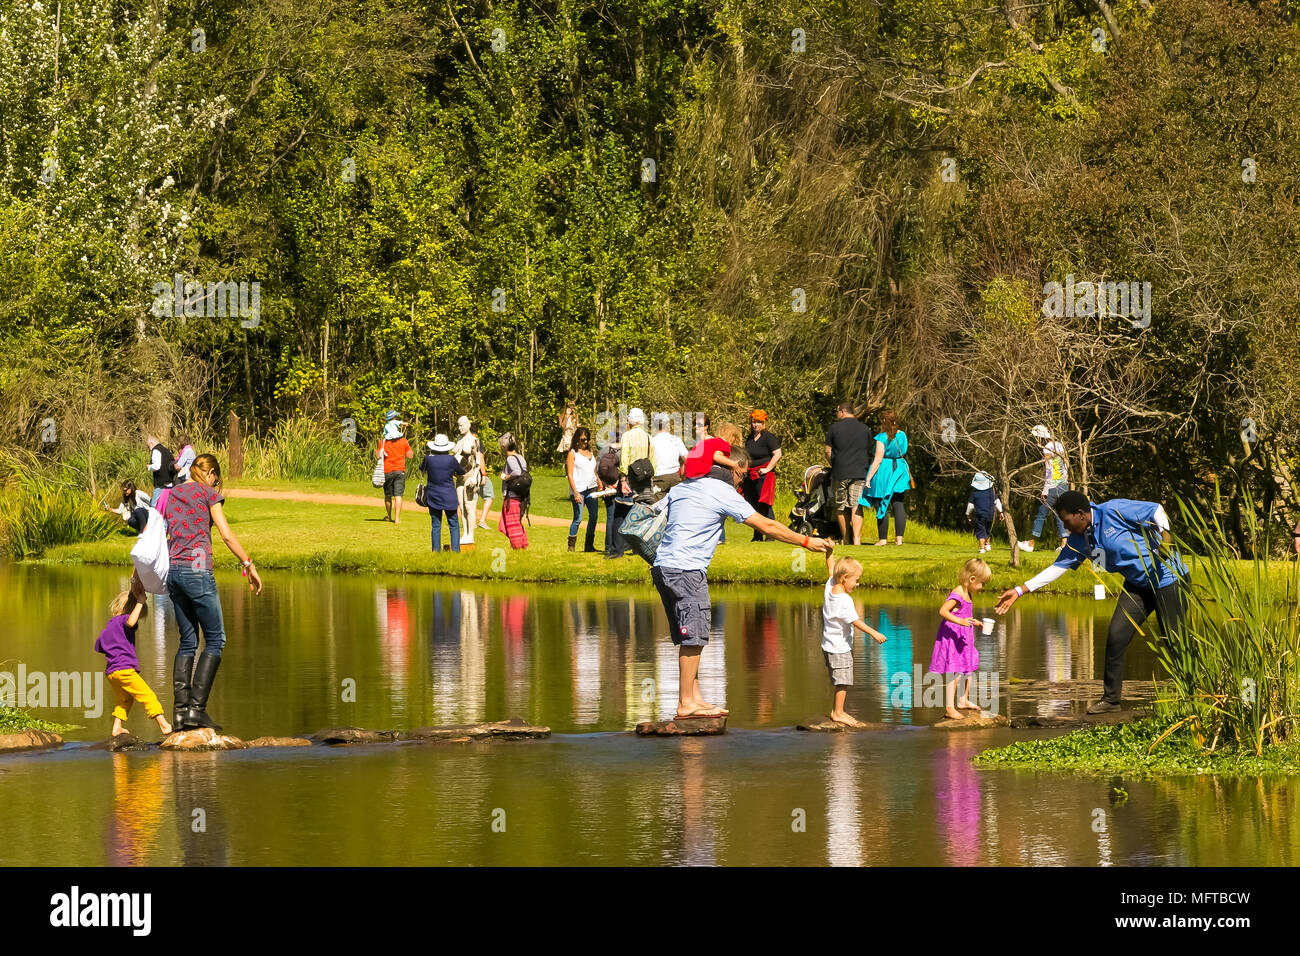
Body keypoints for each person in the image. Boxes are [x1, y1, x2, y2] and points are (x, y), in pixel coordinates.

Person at [651, 448, 833, 718]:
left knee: (691, 637)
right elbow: (767, 526)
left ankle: (694, 697)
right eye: (743, 474)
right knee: (694, 637)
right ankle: (685, 703)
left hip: (663, 567)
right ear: (733, 469)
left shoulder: (684, 487)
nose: (743, 481)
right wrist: (806, 541)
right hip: (687, 570)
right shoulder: (720, 491)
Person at [994, 490, 1188, 714]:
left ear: (1081, 514)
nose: (1066, 528)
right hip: (1137, 585)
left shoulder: (1113, 510)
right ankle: (1111, 701)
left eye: (1067, 521)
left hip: (1168, 578)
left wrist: (1165, 537)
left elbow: (1155, 509)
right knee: (1116, 635)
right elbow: (1058, 568)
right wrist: (1019, 590)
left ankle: (1192, 694)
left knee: (1175, 642)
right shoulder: (1079, 540)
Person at [164, 453, 263, 731]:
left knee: (187, 642)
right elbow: (227, 535)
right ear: (210, 475)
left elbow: (162, 533)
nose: (216, 486)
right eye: (216, 480)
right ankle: (196, 709)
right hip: (197, 570)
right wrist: (249, 564)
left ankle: (180, 714)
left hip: (174, 571)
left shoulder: (171, 495)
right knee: (216, 640)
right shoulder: (208, 494)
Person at [95, 574, 172, 738]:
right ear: (132, 610)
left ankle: (117, 728)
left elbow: (100, 647)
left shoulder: (107, 628)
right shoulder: (125, 621)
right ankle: (164, 725)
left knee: (125, 699)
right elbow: (130, 622)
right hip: (125, 670)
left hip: (111, 672)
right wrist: (140, 602)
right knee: (148, 696)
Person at [820, 551, 887, 727]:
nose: (857, 584)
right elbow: (856, 621)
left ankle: (836, 710)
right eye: (855, 580)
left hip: (827, 644)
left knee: (840, 679)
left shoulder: (830, 586)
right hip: (839, 647)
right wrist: (875, 633)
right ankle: (838, 713)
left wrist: (829, 553)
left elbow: (830, 569)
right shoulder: (844, 600)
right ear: (844, 578)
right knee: (843, 681)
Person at [931, 558, 991, 720]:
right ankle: (949, 707)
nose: (982, 587)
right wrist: (961, 622)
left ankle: (963, 699)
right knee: (954, 671)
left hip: (964, 637)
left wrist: (975, 622)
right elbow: (943, 611)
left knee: (968, 666)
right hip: (952, 637)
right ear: (972, 579)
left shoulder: (968, 592)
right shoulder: (957, 593)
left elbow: (965, 614)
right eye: (982, 583)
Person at [824, 402, 873, 545]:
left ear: (843, 412)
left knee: (840, 506)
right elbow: (869, 450)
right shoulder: (865, 429)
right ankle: (857, 539)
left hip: (840, 472)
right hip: (860, 472)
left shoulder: (834, 428)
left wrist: (834, 463)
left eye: (837, 411)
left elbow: (828, 451)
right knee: (856, 505)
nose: (836, 414)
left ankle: (846, 538)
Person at [861, 409, 910, 545]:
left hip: (884, 471)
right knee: (898, 504)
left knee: (880, 502)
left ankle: (883, 539)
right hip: (900, 468)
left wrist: (868, 478)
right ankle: (899, 538)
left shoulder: (882, 437)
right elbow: (904, 451)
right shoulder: (903, 435)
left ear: (884, 421)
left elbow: (878, 460)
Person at [1018, 425, 1069, 553]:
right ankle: (1064, 544)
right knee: (1059, 514)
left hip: (1052, 487)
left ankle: (1030, 544)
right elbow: (1065, 466)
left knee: (1041, 514)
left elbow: (1049, 471)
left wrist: (1045, 490)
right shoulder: (1059, 445)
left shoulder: (1047, 448)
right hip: (1064, 485)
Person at [420, 434, 465, 552]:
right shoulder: (451, 459)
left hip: (433, 495)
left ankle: (436, 551)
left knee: (436, 525)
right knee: (454, 524)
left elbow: (422, 469)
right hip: (449, 495)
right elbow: (462, 471)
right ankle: (455, 551)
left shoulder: (428, 458)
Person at [743, 410, 782, 541]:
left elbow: (777, 453)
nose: (756, 425)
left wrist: (767, 469)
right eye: (754, 421)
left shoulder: (768, 437)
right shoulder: (749, 438)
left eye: (759, 422)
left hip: (764, 476)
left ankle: (771, 535)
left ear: (764, 423)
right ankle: (757, 535)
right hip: (751, 475)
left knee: (764, 505)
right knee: (753, 505)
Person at [565, 426, 600, 552]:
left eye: (587, 439)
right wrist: (575, 493)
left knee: (594, 517)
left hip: (592, 488)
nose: (585, 442)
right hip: (579, 489)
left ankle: (589, 546)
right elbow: (569, 474)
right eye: (582, 439)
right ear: (577, 440)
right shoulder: (572, 454)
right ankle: (571, 546)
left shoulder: (591, 453)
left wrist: (599, 481)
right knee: (578, 518)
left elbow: (593, 470)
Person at [452, 416, 485, 545]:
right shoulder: (458, 439)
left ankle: (470, 535)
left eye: (462, 425)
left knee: (469, 506)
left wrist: (475, 476)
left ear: (468, 425)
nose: (460, 428)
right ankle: (465, 533)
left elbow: (478, 460)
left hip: (470, 475)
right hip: (459, 477)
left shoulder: (474, 440)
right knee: (461, 506)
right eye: (459, 425)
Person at [377, 410, 413, 525]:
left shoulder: (383, 442)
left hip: (387, 470)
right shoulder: (403, 441)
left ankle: (388, 516)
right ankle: (397, 519)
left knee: (388, 495)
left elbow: (378, 456)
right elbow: (410, 455)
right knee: (398, 495)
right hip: (400, 470)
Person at [680, 414, 742, 480]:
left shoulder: (710, 440)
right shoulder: (700, 442)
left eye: (699, 425)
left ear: (706, 427)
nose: (696, 427)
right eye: (695, 424)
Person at [498, 432, 529, 549]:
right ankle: (523, 546)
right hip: (522, 496)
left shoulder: (510, 459)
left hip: (512, 497)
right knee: (516, 523)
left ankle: (517, 548)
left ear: (504, 447)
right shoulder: (521, 457)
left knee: (512, 525)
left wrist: (506, 477)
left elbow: (517, 472)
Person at [965, 471, 1004, 553]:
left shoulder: (974, 493)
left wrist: (968, 515)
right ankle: (988, 544)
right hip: (990, 514)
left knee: (981, 531)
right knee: (987, 529)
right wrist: (1001, 512)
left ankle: (982, 548)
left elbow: (970, 506)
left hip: (979, 515)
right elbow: (997, 502)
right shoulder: (991, 492)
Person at [650, 413, 688, 491]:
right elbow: (687, 459)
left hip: (659, 478)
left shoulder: (651, 441)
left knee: (657, 502)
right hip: (675, 478)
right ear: (667, 424)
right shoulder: (676, 440)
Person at [145, 435, 176, 507]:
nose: (149, 449)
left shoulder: (156, 450)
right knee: (166, 505)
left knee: (154, 505)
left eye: (148, 446)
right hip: (170, 481)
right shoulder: (166, 450)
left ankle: (155, 518)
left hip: (161, 483)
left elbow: (157, 466)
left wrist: (149, 467)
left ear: (151, 443)